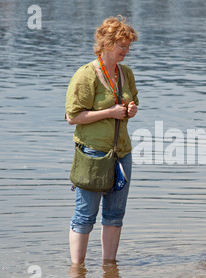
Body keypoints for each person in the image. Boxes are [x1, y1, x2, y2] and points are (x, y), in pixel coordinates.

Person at [65, 16, 139, 265]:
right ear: (107, 44)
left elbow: (133, 102)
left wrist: (130, 109)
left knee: (115, 215)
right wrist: (110, 112)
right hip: (93, 154)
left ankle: (109, 267)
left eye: (128, 47)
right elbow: (72, 117)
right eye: (122, 47)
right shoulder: (86, 74)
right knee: (85, 215)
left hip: (122, 153)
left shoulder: (126, 73)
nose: (126, 52)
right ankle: (77, 272)